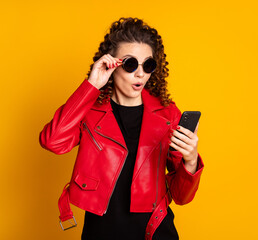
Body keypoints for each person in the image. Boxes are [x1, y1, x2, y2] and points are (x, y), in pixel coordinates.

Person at [39, 17, 204, 240]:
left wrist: (191, 161)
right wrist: (91, 86)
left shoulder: (168, 114)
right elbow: (53, 141)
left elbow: (182, 196)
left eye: (148, 65)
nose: (140, 74)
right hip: (102, 232)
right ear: (111, 64)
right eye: (130, 64)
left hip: (155, 232)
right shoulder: (89, 109)